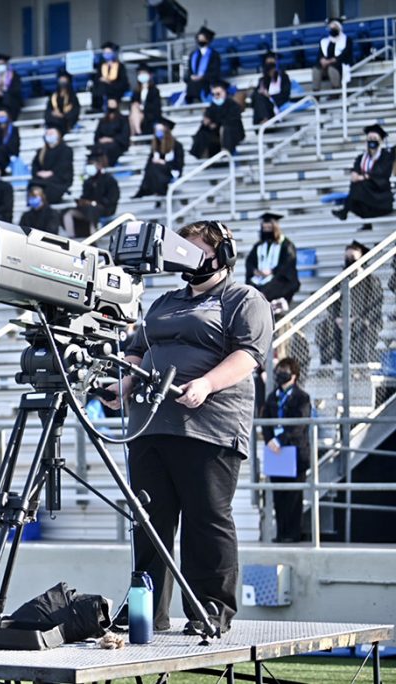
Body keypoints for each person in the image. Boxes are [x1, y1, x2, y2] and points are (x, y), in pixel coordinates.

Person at [101, 220, 274, 635]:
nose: (189, 260)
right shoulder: (164, 301)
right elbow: (139, 351)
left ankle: (209, 609)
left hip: (209, 426)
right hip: (150, 425)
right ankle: (146, 610)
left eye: (199, 251)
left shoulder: (243, 298)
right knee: (148, 521)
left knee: (206, 519)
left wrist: (207, 383)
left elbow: (249, 355)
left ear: (223, 254)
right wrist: (123, 385)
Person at [260, 357, 311, 544]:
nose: (280, 375)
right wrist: (270, 440)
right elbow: (265, 421)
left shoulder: (302, 397)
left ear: (294, 375)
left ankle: (293, 533)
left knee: (294, 496)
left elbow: (298, 424)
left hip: (295, 452)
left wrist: (280, 440)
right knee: (279, 496)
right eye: (279, 371)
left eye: (285, 371)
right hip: (276, 453)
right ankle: (281, 533)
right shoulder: (272, 397)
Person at [315, 240, 384, 366]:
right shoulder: (340, 280)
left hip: (365, 321)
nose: (349, 260)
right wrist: (337, 318)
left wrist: (354, 318)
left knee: (358, 325)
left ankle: (358, 365)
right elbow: (332, 304)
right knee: (323, 326)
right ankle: (329, 366)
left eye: (352, 257)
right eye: (347, 257)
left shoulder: (371, 281)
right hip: (342, 320)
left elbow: (375, 305)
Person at [333, 124, 394, 231]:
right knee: (357, 187)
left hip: (381, 196)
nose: (372, 141)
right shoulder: (361, 158)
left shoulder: (386, 156)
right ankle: (365, 222)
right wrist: (355, 174)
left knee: (359, 186)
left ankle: (345, 211)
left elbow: (381, 173)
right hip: (366, 196)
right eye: (369, 138)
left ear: (381, 140)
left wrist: (364, 177)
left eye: (375, 138)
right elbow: (355, 170)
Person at [244, 212, 300, 306]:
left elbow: (288, 264)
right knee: (250, 291)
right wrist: (255, 271)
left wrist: (272, 271)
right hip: (260, 279)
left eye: (269, 228)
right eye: (264, 228)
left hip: (279, 281)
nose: (267, 231)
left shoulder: (286, 245)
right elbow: (249, 262)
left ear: (275, 228)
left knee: (265, 293)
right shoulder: (259, 246)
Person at [63, 153, 118, 238]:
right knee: (67, 212)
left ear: (99, 165)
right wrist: (82, 201)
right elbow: (85, 196)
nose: (89, 167)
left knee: (91, 210)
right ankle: (72, 235)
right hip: (88, 207)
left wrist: (95, 203)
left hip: (105, 208)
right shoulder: (88, 181)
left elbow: (113, 198)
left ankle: (93, 235)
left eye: (92, 164)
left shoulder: (109, 180)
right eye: (88, 164)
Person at [190, 81, 244, 158]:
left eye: (218, 94)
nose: (215, 96)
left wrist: (216, 124)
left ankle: (226, 151)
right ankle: (201, 154)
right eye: (213, 94)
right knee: (202, 132)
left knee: (226, 128)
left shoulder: (232, 105)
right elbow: (208, 119)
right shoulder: (212, 106)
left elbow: (233, 120)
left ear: (224, 92)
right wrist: (207, 122)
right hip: (216, 134)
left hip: (232, 132)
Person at [134, 117, 184, 198]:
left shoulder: (176, 146)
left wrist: (163, 162)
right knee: (152, 167)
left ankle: (159, 190)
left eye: (160, 130)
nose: (158, 133)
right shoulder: (156, 146)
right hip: (157, 172)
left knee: (156, 167)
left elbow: (179, 164)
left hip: (170, 171)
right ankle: (151, 189)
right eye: (156, 130)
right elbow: (149, 163)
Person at [30, 128, 73, 204]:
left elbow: (64, 166)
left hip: (58, 181)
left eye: (52, 133)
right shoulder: (41, 152)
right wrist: (39, 173)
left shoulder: (66, 150)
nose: (49, 135)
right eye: (48, 134)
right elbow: (35, 165)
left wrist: (51, 172)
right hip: (41, 180)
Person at [313, 17, 354, 92]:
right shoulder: (324, 41)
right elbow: (320, 54)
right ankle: (316, 92)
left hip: (340, 64)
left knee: (332, 68)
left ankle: (335, 91)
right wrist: (322, 60)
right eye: (331, 28)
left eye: (335, 28)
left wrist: (331, 61)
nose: (332, 30)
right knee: (316, 69)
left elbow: (345, 54)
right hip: (326, 65)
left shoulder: (347, 40)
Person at [251, 52, 291, 125]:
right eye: (268, 67)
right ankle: (264, 119)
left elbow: (286, 95)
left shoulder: (283, 77)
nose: (271, 70)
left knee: (260, 97)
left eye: (272, 66)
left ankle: (265, 119)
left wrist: (269, 96)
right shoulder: (262, 80)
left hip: (276, 104)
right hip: (265, 106)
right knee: (257, 95)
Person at [185, 27, 221, 104]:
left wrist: (202, 77)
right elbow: (190, 71)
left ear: (208, 40)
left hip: (207, 82)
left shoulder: (214, 55)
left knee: (199, 85)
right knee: (191, 84)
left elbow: (215, 72)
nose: (200, 40)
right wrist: (191, 76)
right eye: (199, 38)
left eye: (202, 38)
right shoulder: (193, 55)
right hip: (193, 84)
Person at [91, 42, 130, 112]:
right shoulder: (101, 66)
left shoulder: (120, 66)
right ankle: (98, 108)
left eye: (109, 52)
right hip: (104, 89)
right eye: (105, 53)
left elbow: (124, 82)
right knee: (97, 88)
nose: (106, 54)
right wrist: (103, 80)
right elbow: (97, 79)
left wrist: (109, 82)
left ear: (113, 53)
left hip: (116, 89)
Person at [92, 97, 130, 166]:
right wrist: (102, 140)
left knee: (108, 150)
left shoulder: (123, 120)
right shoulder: (103, 120)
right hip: (102, 144)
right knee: (96, 149)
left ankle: (105, 165)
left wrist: (111, 139)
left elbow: (125, 136)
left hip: (117, 144)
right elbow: (97, 136)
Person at [129, 63, 162, 136]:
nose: (142, 75)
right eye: (140, 73)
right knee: (134, 109)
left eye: (144, 73)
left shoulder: (154, 90)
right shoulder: (136, 91)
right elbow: (132, 104)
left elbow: (156, 107)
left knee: (133, 116)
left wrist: (142, 107)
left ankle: (136, 134)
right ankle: (138, 131)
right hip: (138, 114)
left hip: (149, 115)